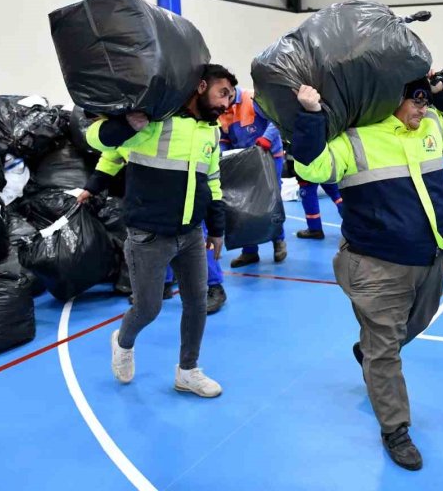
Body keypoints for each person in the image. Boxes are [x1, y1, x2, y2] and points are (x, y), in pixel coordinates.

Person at [290, 71, 443, 471]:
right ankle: (395, 429)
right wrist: (312, 113)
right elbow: (312, 167)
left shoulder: (430, 129)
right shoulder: (357, 139)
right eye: (416, 101)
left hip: (430, 256)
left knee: (414, 326)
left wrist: (440, 88)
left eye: (426, 101)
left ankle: (367, 352)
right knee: (386, 350)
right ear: (392, 100)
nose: (423, 109)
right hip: (376, 265)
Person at [85, 63, 235, 397]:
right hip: (149, 235)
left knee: (196, 304)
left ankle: (188, 370)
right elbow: (96, 139)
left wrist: (217, 228)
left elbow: (212, 181)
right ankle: (123, 343)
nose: (227, 103)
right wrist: (125, 124)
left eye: (231, 97)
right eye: (222, 93)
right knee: (148, 308)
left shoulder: (210, 131)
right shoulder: (156, 121)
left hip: (192, 234)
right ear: (200, 86)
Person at [78, 148, 228, 314]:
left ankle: (214, 286)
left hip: (188, 191)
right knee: (161, 238)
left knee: (198, 238)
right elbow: (112, 155)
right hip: (154, 194)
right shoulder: (130, 129)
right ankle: (163, 284)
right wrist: (92, 186)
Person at [218, 86, 287, 267]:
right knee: (245, 205)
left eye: (226, 95)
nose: (224, 101)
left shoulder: (253, 99)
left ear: (231, 89)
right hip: (243, 160)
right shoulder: (221, 107)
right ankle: (249, 251)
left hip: (268, 157)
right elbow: (225, 137)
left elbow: (276, 119)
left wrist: (267, 138)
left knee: (272, 199)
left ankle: (278, 242)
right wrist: (223, 152)